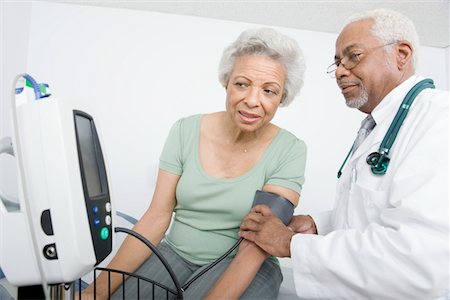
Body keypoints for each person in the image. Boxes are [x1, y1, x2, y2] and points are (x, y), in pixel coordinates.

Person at [81, 27, 307, 300]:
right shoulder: (185, 130)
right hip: (174, 253)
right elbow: (156, 216)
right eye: (242, 84)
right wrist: (92, 295)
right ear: (226, 82)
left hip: (246, 262)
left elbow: (260, 241)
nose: (252, 100)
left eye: (269, 91)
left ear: (282, 98)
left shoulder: (290, 150)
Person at [240, 8, 449, 300]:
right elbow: (373, 212)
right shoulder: (378, 126)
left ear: (401, 55)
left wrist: (290, 244)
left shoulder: (440, 120)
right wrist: (318, 224)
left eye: (354, 56)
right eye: (337, 62)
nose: (339, 70)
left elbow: (419, 260)